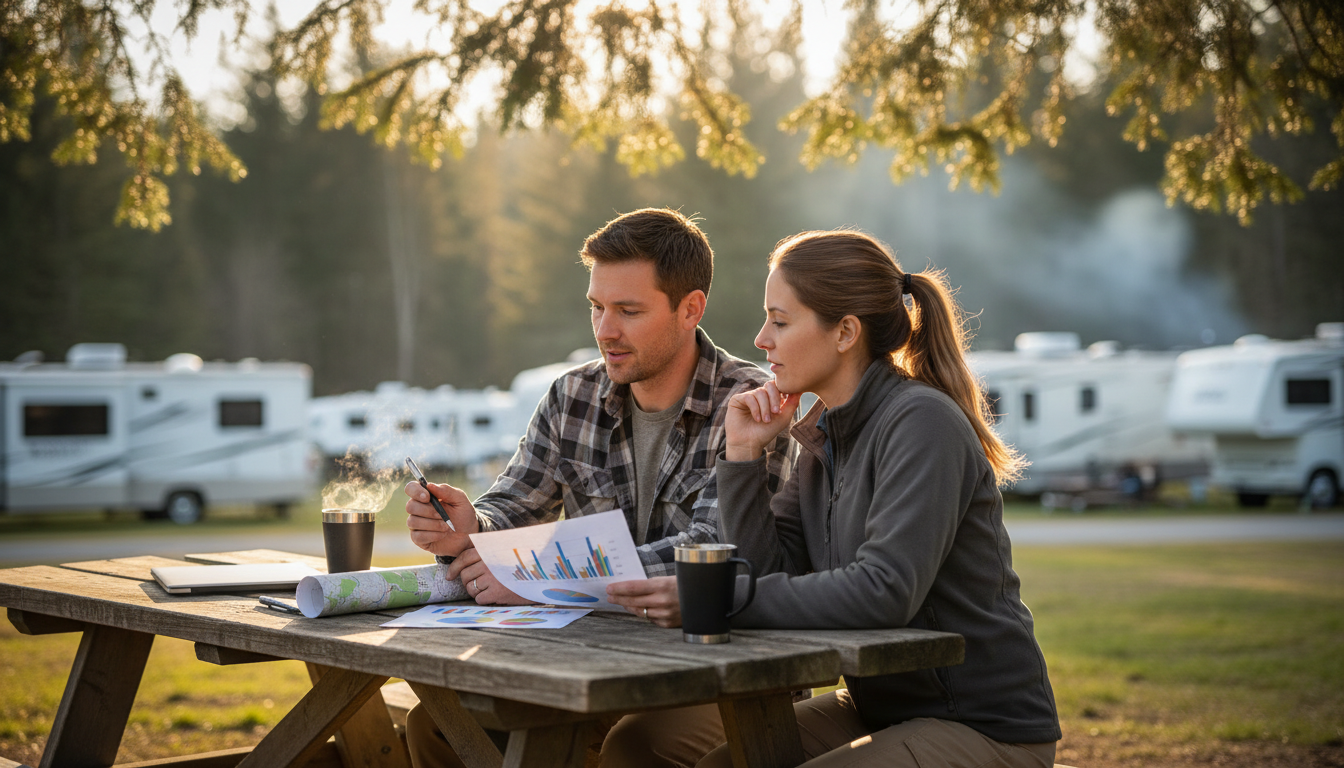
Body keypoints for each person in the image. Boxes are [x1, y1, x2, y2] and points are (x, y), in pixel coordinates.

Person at [400, 207, 793, 768]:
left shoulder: (751, 406)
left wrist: (544, 578)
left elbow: (714, 552)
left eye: (628, 311)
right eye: (597, 307)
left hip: (717, 662)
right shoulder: (572, 396)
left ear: (691, 308)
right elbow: (514, 501)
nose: (606, 330)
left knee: (637, 750)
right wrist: (471, 525)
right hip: (592, 654)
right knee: (443, 723)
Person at [660, 228, 1061, 767]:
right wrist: (742, 455)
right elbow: (765, 569)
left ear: (845, 331)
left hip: (983, 724)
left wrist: (722, 602)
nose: (761, 338)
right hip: (880, 707)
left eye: (780, 320)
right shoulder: (825, 430)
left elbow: (884, 589)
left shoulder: (922, 423)